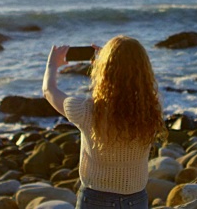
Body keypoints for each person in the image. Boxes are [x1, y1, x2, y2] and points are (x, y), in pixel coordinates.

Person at [43, 35, 166, 209]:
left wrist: (52, 65)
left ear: (106, 71)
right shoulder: (151, 110)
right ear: (144, 70)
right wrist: (113, 63)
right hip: (136, 200)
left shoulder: (87, 111)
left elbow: (49, 91)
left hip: (95, 200)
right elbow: (137, 89)